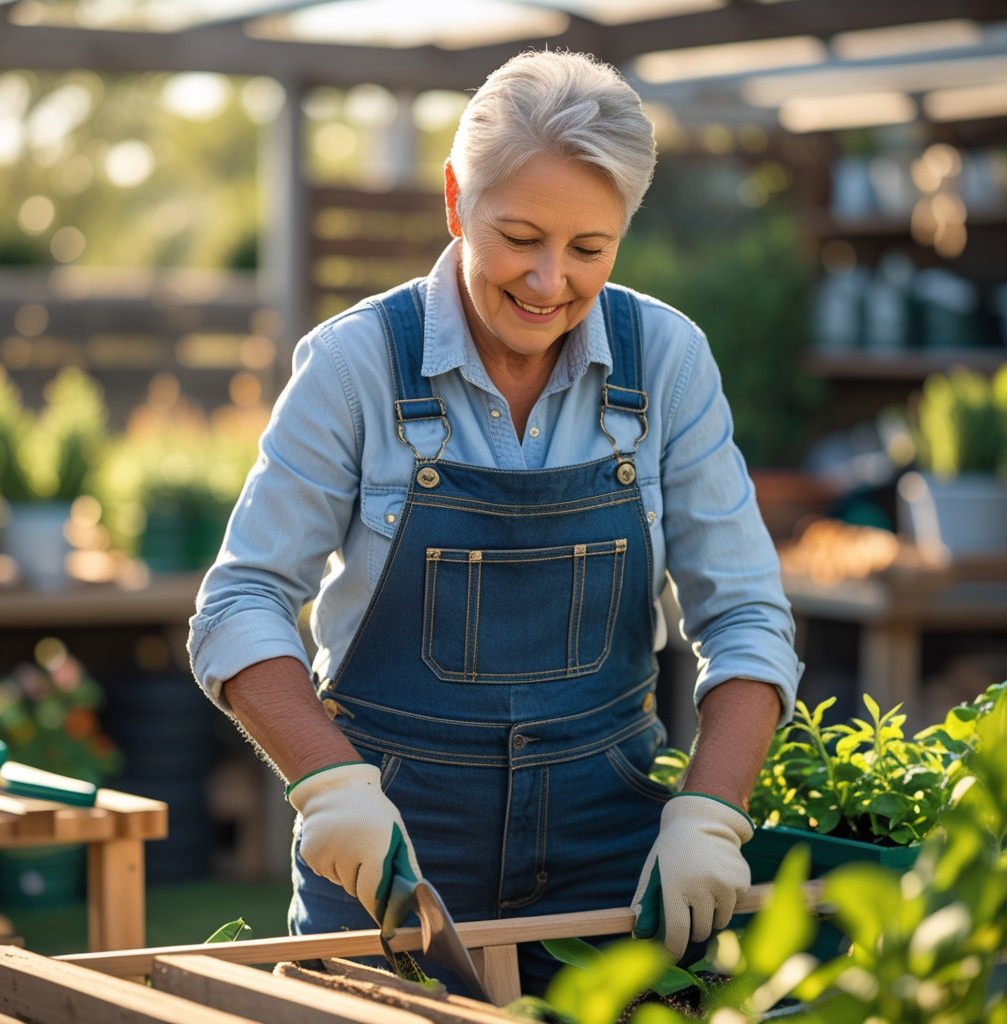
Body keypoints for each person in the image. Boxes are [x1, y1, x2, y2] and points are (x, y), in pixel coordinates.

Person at [188, 48, 801, 995]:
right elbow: (239, 603)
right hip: (392, 871)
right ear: (453, 200)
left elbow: (748, 618)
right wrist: (331, 787)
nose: (551, 281)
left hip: (613, 871)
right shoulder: (356, 368)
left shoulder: (668, 362)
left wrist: (711, 811)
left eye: (590, 249)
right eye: (519, 235)